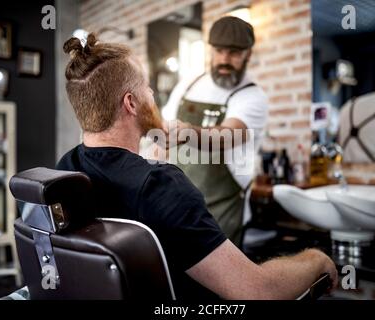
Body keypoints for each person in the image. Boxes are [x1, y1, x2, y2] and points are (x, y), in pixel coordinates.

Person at [56, 33, 337, 300]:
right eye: (146, 86)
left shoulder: (65, 171)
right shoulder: (163, 187)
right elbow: (259, 292)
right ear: (131, 102)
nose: (152, 93)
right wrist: (316, 259)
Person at [162, 16, 268, 245]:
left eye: (234, 53)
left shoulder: (252, 96)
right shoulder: (189, 85)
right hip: (177, 206)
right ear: (210, 50)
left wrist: (188, 132)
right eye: (219, 51)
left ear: (248, 54)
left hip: (221, 212)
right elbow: (162, 131)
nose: (224, 60)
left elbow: (229, 135)